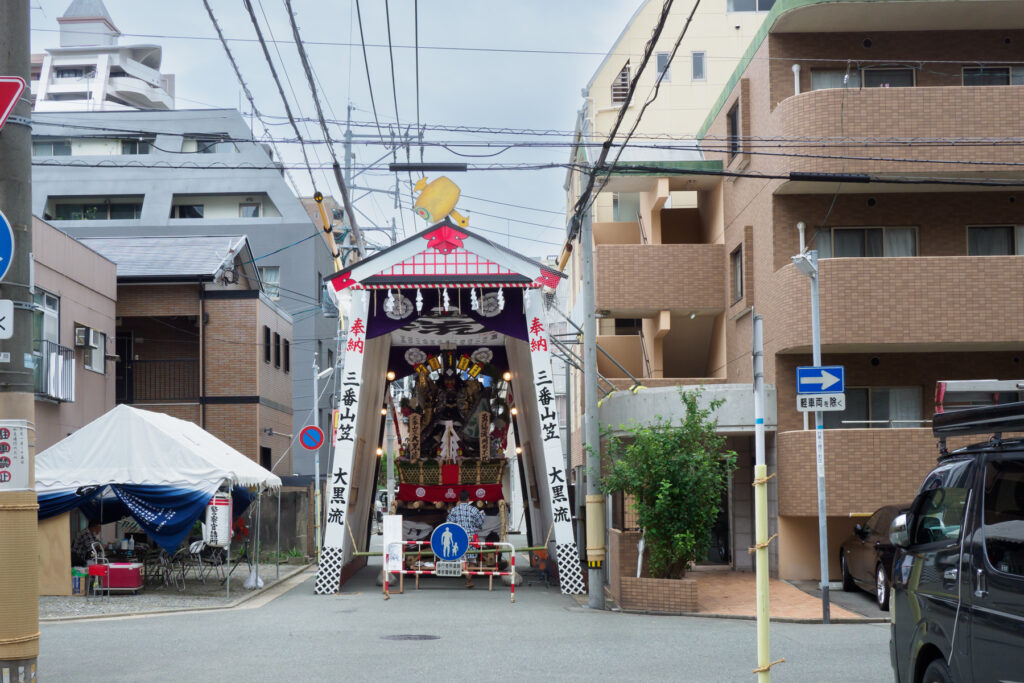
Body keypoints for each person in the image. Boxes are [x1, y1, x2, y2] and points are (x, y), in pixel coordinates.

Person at [447, 490, 485, 588]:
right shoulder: (474, 510)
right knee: (472, 559)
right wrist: (482, 516)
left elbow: (448, 523)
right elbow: (480, 524)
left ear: (459, 499)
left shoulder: (454, 510)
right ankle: (469, 579)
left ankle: (468, 578)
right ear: (468, 499)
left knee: (462, 559)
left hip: (459, 538)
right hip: (472, 538)